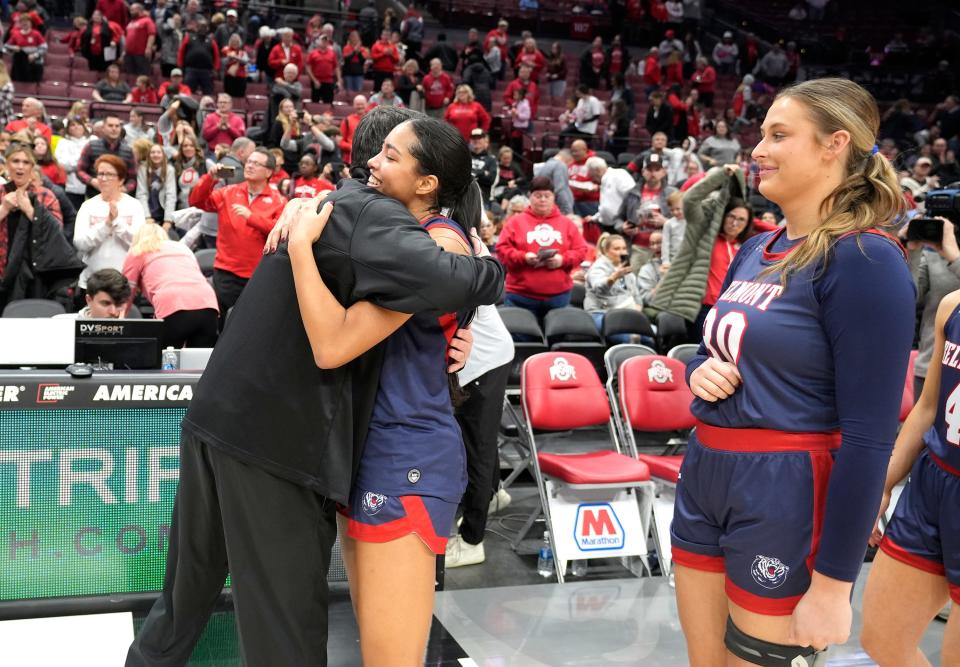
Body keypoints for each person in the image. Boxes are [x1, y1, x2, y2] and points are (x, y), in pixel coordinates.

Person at [124, 105, 503, 667]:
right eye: (378, 153)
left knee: (187, 599)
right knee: (289, 628)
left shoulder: (360, 216)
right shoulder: (373, 220)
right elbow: (350, 339)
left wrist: (458, 336)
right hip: (285, 441)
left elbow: (470, 312)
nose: (372, 164)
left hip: (245, 421)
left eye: (387, 156)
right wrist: (487, 273)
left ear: (422, 180)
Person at [670, 78, 915, 666]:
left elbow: (869, 439)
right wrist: (699, 372)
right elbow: (721, 352)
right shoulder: (759, 248)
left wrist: (834, 583)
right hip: (706, 471)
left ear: (835, 144)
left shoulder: (865, 259)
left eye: (779, 135)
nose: (758, 150)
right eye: (761, 135)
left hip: (786, 488)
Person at [860, 271, 960, 666]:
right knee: (881, 638)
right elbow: (929, 406)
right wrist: (882, 484)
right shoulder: (952, 306)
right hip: (932, 484)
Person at [188, 147, 287, 325]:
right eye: (248, 161)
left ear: (269, 172)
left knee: (251, 325)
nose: (249, 166)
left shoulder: (279, 200)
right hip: (226, 272)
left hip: (258, 274)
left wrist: (251, 218)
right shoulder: (229, 192)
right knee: (220, 325)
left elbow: (280, 232)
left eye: (256, 163)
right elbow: (197, 201)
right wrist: (209, 179)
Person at [0, 144, 83, 311]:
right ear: (7, 165)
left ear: (32, 167)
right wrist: (4, 209)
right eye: (15, 161)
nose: (20, 166)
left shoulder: (45, 194)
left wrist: (30, 210)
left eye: (26, 162)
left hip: (36, 273)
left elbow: (56, 232)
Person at [496, 176, 587, 320]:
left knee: (558, 340)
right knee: (521, 340)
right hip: (520, 296)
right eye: (538, 196)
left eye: (547, 196)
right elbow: (501, 250)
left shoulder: (566, 223)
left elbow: (581, 251)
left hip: (559, 296)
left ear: (553, 197)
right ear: (530, 197)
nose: (543, 199)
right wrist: (524, 257)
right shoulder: (515, 222)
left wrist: (562, 259)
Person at [122, 223, 219, 348]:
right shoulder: (183, 248)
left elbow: (125, 291)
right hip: (208, 303)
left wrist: (119, 323)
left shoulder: (138, 250)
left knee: (164, 361)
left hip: (173, 304)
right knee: (200, 362)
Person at [74, 154, 146, 295]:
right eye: (100, 174)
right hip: (92, 283)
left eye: (109, 174)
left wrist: (117, 223)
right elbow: (80, 243)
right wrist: (106, 225)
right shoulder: (88, 206)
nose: (103, 178)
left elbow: (140, 243)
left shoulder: (134, 205)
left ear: (121, 179)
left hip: (126, 283)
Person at [585, 232, 643, 329]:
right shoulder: (598, 268)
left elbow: (637, 297)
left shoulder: (627, 271)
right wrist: (615, 276)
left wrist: (638, 309)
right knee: (627, 336)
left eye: (624, 248)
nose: (622, 252)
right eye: (617, 249)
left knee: (650, 336)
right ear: (606, 252)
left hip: (626, 313)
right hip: (601, 313)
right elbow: (599, 287)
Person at [77, 113, 138, 197]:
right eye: (110, 125)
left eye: (117, 126)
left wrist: (125, 189)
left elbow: (133, 178)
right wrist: (92, 181)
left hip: (119, 198)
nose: (114, 129)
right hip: (94, 197)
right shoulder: (91, 146)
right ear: (103, 128)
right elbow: (79, 170)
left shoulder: (128, 151)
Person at [55, 268, 131, 319]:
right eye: (106, 303)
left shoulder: (134, 331)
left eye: (119, 304)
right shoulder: (61, 324)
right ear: (89, 300)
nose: (114, 312)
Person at [136, 144, 177, 229]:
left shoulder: (169, 170)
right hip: (148, 213)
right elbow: (141, 194)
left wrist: (168, 220)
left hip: (163, 214)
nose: (156, 155)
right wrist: (146, 217)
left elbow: (171, 195)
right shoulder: (143, 169)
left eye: (159, 152)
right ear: (149, 155)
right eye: (153, 152)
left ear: (163, 155)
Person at [56, 117, 92, 210]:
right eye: (72, 125)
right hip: (71, 189)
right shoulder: (63, 143)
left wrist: (75, 162)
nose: (76, 127)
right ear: (68, 129)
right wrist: (83, 161)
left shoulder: (92, 140)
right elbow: (62, 164)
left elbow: (95, 163)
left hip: (92, 188)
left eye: (79, 124)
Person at [177, 20, 220, 96]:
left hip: (206, 71)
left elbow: (216, 56)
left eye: (204, 27)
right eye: (201, 26)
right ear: (197, 27)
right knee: (187, 92)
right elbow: (181, 52)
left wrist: (216, 69)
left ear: (207, 29)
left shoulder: (211, 41)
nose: (202, 28)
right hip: (191, 70)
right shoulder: (188, 38)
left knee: (208, 93)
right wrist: (180, 65)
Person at [6, 13, 46, 83]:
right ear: (20, 24)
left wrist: (35, 55)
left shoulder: (36, 34)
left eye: (27, 22)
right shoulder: (16, 34)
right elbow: (6, 46)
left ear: (30, 23)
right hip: (20, 64)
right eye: (22, 22)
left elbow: (44, 47)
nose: (25, 24)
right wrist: (13, 47)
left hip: (34, 63)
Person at [534, 148, 574, 215]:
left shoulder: (545, 165)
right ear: (568, 160)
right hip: (558, 208)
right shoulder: (560, 165)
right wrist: (567, 209)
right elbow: (560, 189)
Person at [306, 34, 341, 105]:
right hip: (317, 81)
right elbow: (308, 67)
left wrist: (339, 80)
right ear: (318, 42)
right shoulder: (313, 53)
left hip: (329, 81)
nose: (324, 43)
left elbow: (336, 67)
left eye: (326, 41)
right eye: (323, 41)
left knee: (328, 103)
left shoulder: (332, 53)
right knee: (315, 103)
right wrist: (314, 80)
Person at [123, 3, 156, 76]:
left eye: (132, 10)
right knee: (130, 75)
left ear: (139, 10)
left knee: (142, 76)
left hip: (141, 54)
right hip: (129, 54)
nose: (130, 11)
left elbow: (152, 34)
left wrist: (148, 48)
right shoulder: (131, 22)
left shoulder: (147, 20)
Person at [339, 95, 368, 167]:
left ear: (366, 105)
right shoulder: (347, 120)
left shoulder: (371, 119)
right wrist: (351, 147)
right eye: (358, 104)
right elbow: (340, 142)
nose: (360, 106)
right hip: (350, 159)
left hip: (367, 158)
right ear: (354, 105)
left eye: (362, 104)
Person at [221, 33, 249, 99]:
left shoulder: (243, 52)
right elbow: (223, 62)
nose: (234, 43)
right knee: (228, 96)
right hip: (229, 78)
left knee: (239, 97)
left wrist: (236, 57)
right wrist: (229, 58)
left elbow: (245, 61)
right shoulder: (226, 50)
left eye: (236, 42)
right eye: (233, 41)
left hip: (240, 78)